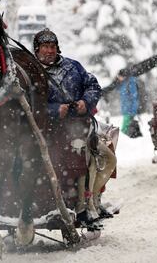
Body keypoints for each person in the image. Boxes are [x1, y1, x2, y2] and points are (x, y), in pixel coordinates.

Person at [33, 28, 102, 209]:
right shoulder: (31, 72)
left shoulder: (73, 67)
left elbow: (93, 86)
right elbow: (26, 103)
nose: (49, 50)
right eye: (45, 47)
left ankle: (89, 201)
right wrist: (54, 110)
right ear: (36, 49)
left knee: (104, 160)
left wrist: (85, 102)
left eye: (53, 46)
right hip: (46, 132)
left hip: (79, 128)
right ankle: (67, 204)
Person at [117, 73, 142, 137]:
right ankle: (129, 137)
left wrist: (133, 110)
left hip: (129, 110)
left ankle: (127, 139)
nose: (118, 78)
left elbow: (134, 97)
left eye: (119, 76)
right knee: (126, 128)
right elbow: (118, 91)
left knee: (124, 130)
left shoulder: (131, 83)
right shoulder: (123, 84)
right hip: (125, 109)